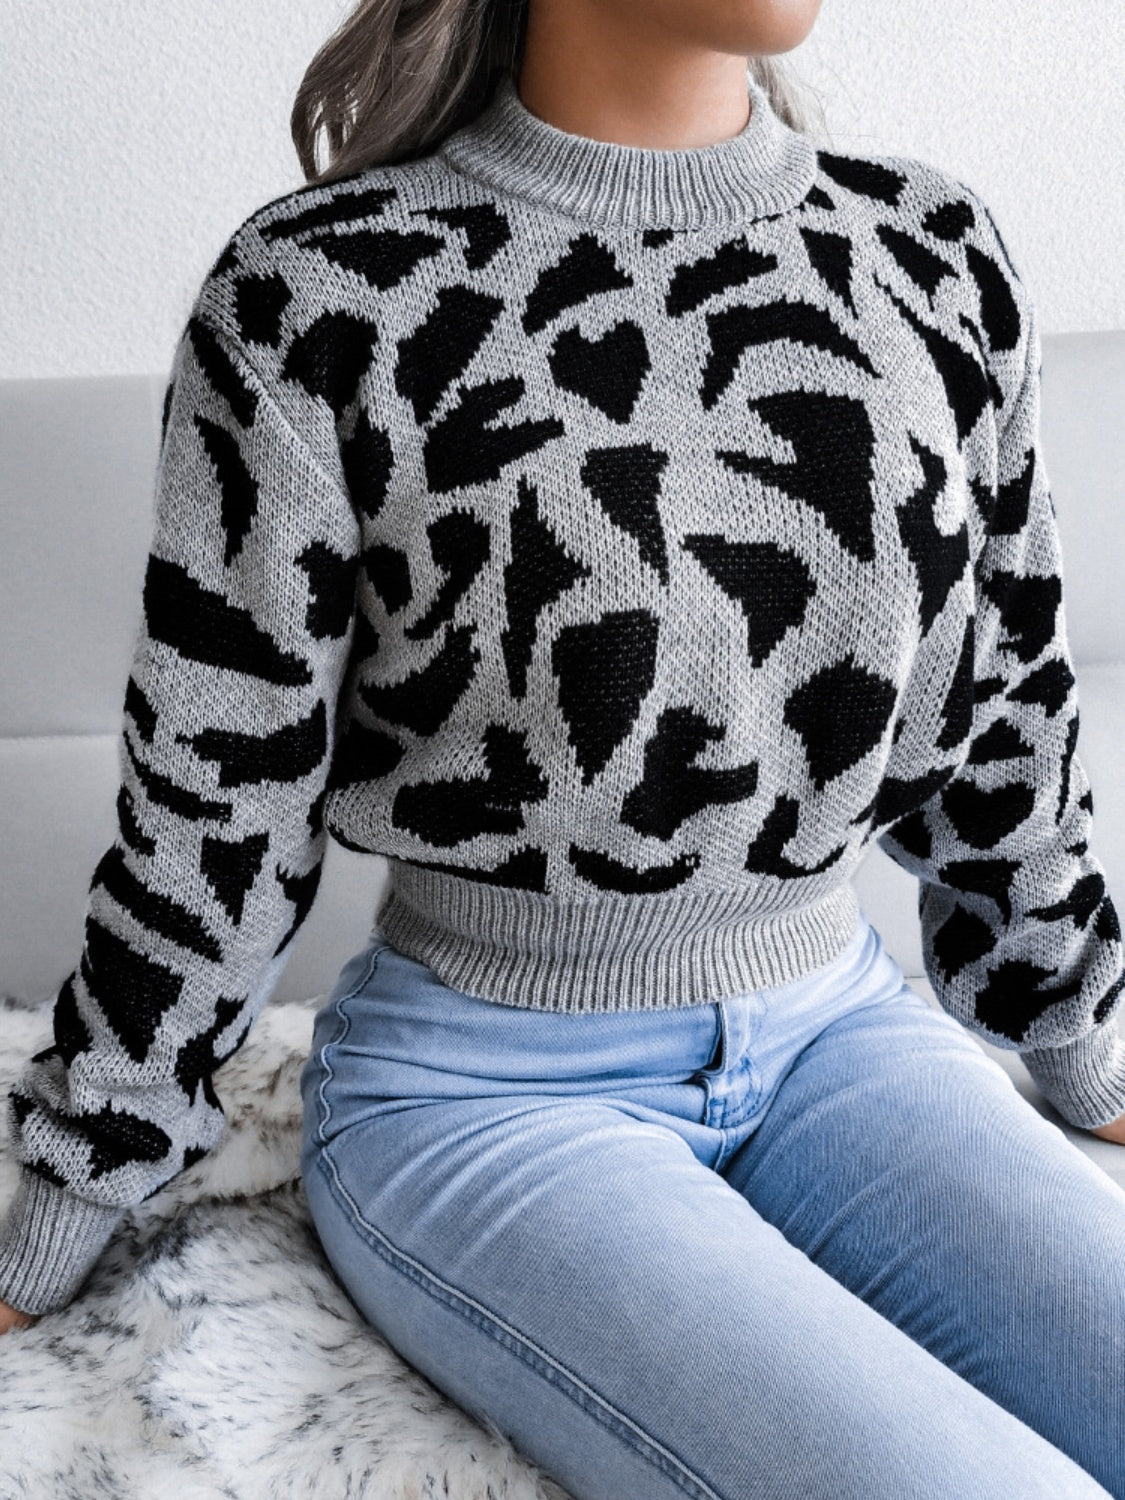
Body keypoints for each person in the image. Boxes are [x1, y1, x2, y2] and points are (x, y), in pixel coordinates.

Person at [2, 0, 1124, 1494]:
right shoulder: (318, 291)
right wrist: (65, 1199)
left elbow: (1006, 707)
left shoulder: (930, 251)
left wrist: (1078, 1044)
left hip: (841, 1032)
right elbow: (216, 803)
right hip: (484, 1096)